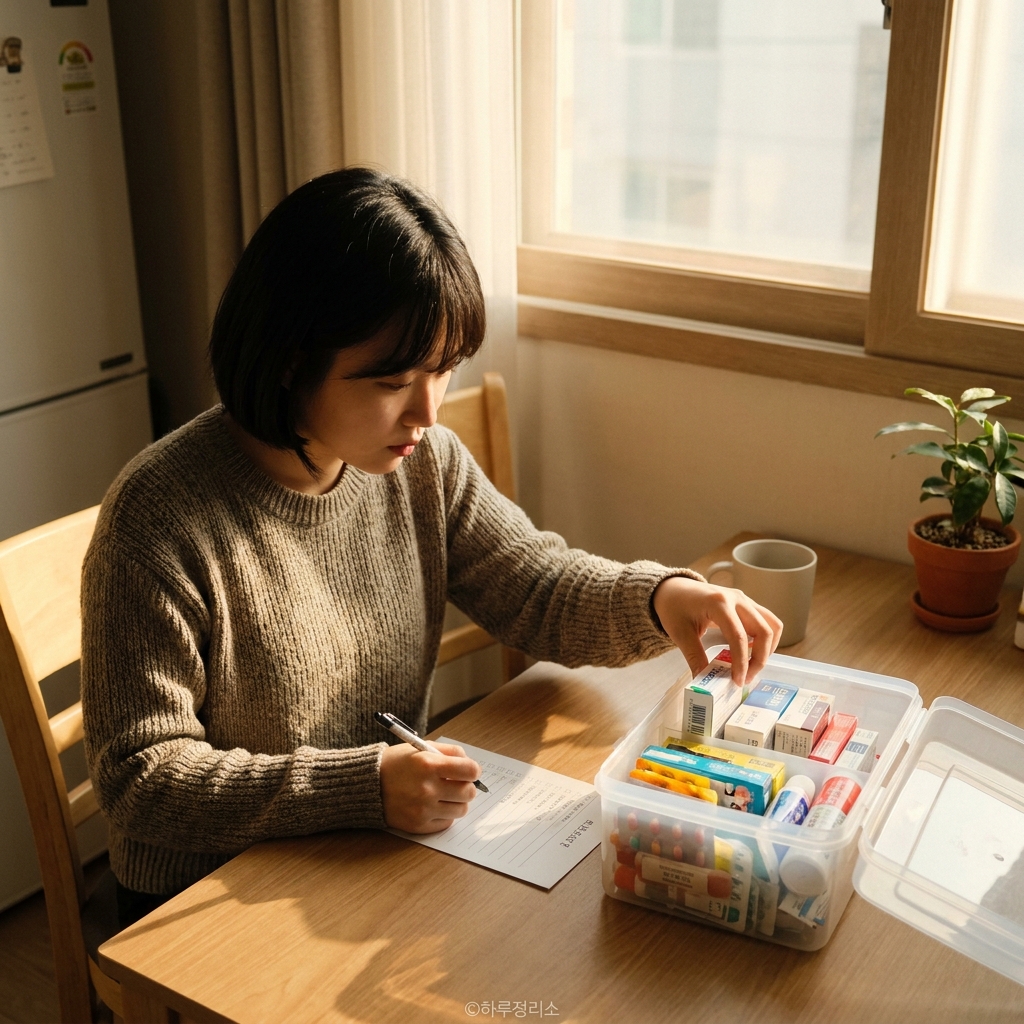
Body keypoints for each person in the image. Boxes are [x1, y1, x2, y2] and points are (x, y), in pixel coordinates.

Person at [81, 167, 781, 926]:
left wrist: (659, 597)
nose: (425, 410)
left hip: (373, 850)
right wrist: (360, 786)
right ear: (289, 359)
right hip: (208, 900)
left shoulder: (423, 465)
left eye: (443, 370)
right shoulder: (157, 519)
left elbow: (536, 587)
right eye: (390, 382)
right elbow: (141, 779)